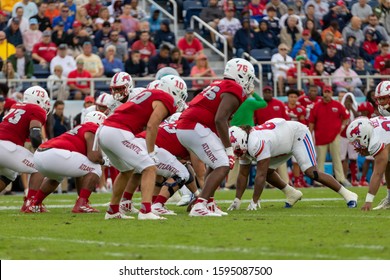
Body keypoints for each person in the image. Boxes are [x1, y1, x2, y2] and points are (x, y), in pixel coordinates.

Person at [97, 73, 183, 220]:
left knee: (126, 170)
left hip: (104, 130)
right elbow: (152, 125)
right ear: (174, 91)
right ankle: (146, 211)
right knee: (150, 167)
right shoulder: (165, 98)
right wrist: (151, 153)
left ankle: (112, 210)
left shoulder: (148, 93)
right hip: (118, 130)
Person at [176, 58, 256, 217]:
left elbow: (220, 119)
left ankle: (209, 202)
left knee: (215, 163)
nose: (249, 82)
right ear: (240, 75)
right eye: (248, 77)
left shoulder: (219, 84)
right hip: (195, 126)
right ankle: (200, 205)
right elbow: (220, 119)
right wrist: (229, 150)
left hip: (187, 125)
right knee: (224, 163)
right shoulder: (234, 88)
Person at [227, 119, 358, 211]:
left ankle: (348, 194)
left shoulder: (256, 143)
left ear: (243, 140)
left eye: (237, 150)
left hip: (297, 135)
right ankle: (292, 193)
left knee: (311, 172)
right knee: (266, 172)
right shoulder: (246, 142)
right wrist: (237, 200)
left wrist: (254, 201)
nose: (238, 154)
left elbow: (259, 175)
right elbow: (243, 174)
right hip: (280, 142)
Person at [26, 111, 107, 213]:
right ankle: (82, 204)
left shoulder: (79, 128)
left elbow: (80, 173)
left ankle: (35, 204)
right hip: (55, 153)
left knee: (57, 177)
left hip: (40, 154)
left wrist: (80, 196)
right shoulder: (92, 128)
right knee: (96, 167)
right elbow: (94, 156)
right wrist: (104, 161)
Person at [0, 86, 50, 210]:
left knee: (9, 174)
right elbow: (35, 134)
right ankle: (31, 203)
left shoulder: (16, 106)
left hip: (4, 144)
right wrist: (40, 150)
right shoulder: (37, 110)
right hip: (7, 146)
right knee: (40, 166)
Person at [308, 85, 352, 187]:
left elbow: (346, 117)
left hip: (334, 136)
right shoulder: (317, 106)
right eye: (325, 92)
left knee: (337, 158)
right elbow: (311, 121)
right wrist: (310, 134)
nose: (327, 94)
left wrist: (342, 127)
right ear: (323, 93)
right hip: (320, 136)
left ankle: (341, 178)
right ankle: (319, 181)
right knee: (320, 160)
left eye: (328, 92)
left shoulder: (337, 105)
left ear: (332, 93)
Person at [346, 116, 390, 211]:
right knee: (388, 165)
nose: (356, 147)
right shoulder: (370, 128)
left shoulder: (376, 141)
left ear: (364, 137)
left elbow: (378, 174)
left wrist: (368, 201)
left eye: (357, 142)